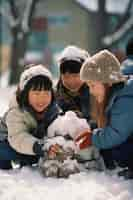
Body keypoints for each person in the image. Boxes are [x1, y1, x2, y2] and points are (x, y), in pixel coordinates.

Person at [75, 49, 133, 179]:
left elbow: (116, 134)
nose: (91, 91)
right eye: (88, 86)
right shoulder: (117, 93)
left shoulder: (125, 99)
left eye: (93, 85)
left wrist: (93, 138)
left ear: (108, 82)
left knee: (119, 150)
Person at [0, 64, 62, 169]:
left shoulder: (53, 110)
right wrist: (39, 147)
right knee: (5, 151)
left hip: (34, 145)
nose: (41, 99)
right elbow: (18, 137)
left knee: (34, 155)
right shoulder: (16, 112)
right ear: (25, 94)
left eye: (46, 94)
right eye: (36, 94)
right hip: (8, 141)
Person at [55, 45, 91, 122]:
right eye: (66, 77)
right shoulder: (54, 98)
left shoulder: (94, 94)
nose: (71, 81)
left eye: (75, 76)